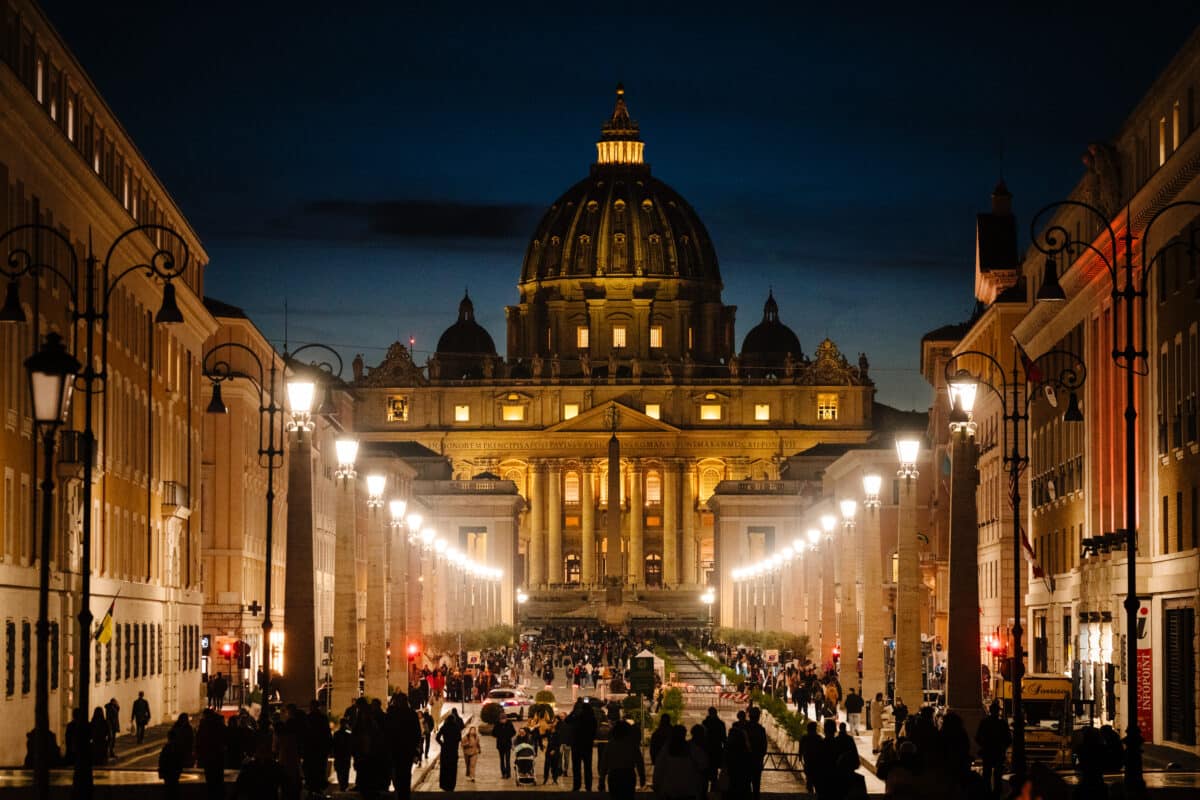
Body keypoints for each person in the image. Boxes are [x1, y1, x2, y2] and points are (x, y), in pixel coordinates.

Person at [386, 692, 423, 799]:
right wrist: (416, 748)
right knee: (405, 774)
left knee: (396, 773)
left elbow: (386, 732)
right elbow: (417, 733)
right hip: (407, 750)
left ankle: (400, 792)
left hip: (395, 750)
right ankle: (404, 794)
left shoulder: (391, 714)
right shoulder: (411, 714)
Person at [601, 718, 645, 800]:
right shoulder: (632, 744)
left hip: (614, 775)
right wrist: (642, 776)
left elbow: (604, 762)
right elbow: (639, 761)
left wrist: (602, 779)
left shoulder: (611, 744)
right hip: (628, 774)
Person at [653, 725, 699, 800]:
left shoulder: (666, 748)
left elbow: (658, 768)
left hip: (670, 789)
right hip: (687, 789)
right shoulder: (691, 748)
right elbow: (703, 763)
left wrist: (656, 784)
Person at [976, 699, 1011, 795]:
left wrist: (984, 745)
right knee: (997, 775)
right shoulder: (1002, 724)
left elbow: (978, 737)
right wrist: (1003, 747)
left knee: (986, 774)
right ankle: (997, 793)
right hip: (998, 752)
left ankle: (986, 792)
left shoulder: (985, 723)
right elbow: (1008, 739)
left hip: (988, 752)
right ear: (998, 711)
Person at [302, 701, 332, 795]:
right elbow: (327, 733)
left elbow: (304, 734)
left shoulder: (308, 718)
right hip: (319, 748)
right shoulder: (322, 718)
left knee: (311, 768)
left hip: (311, 748)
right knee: (319, 768)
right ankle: (318, 786)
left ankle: (312, 786)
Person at [567, 697, 598, 791]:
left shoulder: (575, 716)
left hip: (576, 744)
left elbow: (567, 720)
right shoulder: (591, 716)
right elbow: (594, 729)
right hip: (587, 744)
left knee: (576, 767)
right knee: (588, 767)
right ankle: (588, 786)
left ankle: (577, 786)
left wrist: (573, 711)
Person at [196, 708, 227, 800]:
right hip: (218, 754)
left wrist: (199, 752)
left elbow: (199, 739)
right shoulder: (219, 723)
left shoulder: (204, 725)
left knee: (210, 778)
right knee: (218, 777)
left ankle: (211, 794)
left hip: (208, 755)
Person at [435, 707, 464, 791]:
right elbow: (459, 738)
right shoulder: (456, 728)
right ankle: (451, 785)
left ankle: (444, 784)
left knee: (444, 768)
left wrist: (442, 744)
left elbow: (437, 737)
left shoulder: (444, 727)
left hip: (445, 750)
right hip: (453, 750)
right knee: (453, 768)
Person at [701, 706, 726, 793]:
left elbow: (701, 737)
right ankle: (713, 792)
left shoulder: (705, 723)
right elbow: (724, 738)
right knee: (714, 774)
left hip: (707, 750)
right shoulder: (720, 724)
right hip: (716, 750)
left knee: (705, 774)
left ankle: (705, 793)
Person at [745, 707, 768, 800]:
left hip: (745, 760)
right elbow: (764, 746)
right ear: (758, 717)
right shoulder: (761, 730)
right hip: (757, 760)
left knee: (745, 783)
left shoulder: (744, 728)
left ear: (749, 716)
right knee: (756, 784)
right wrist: (760, 756)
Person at [158, 725, 187, 800]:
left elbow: (162, 760)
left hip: (168, 773)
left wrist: (161, 771)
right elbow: (180, 760)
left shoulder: (167, 748)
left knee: (168, 790)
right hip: (175, 773)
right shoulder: (177, 747)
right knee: (174, 789)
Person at [332, 717, 354, 792]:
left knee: (340, 772)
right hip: (344, 756)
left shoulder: (337, 734)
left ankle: (342, 785)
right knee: (344, 772)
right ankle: (344, 786)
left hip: (340, 756)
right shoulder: (348, 734)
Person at [494, 712, 517, 778]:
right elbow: (493, 733)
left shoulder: (509, 724)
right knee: (501, 760)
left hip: (507, 744)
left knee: (507, 759)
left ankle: (508, 774)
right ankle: (503, 773)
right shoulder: (497, 724)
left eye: (504, 719)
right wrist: (499, 735)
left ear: (506, 719)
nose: (503, 721)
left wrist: (508, 736)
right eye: (501, 719)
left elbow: (514, 732)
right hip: (500, 745)